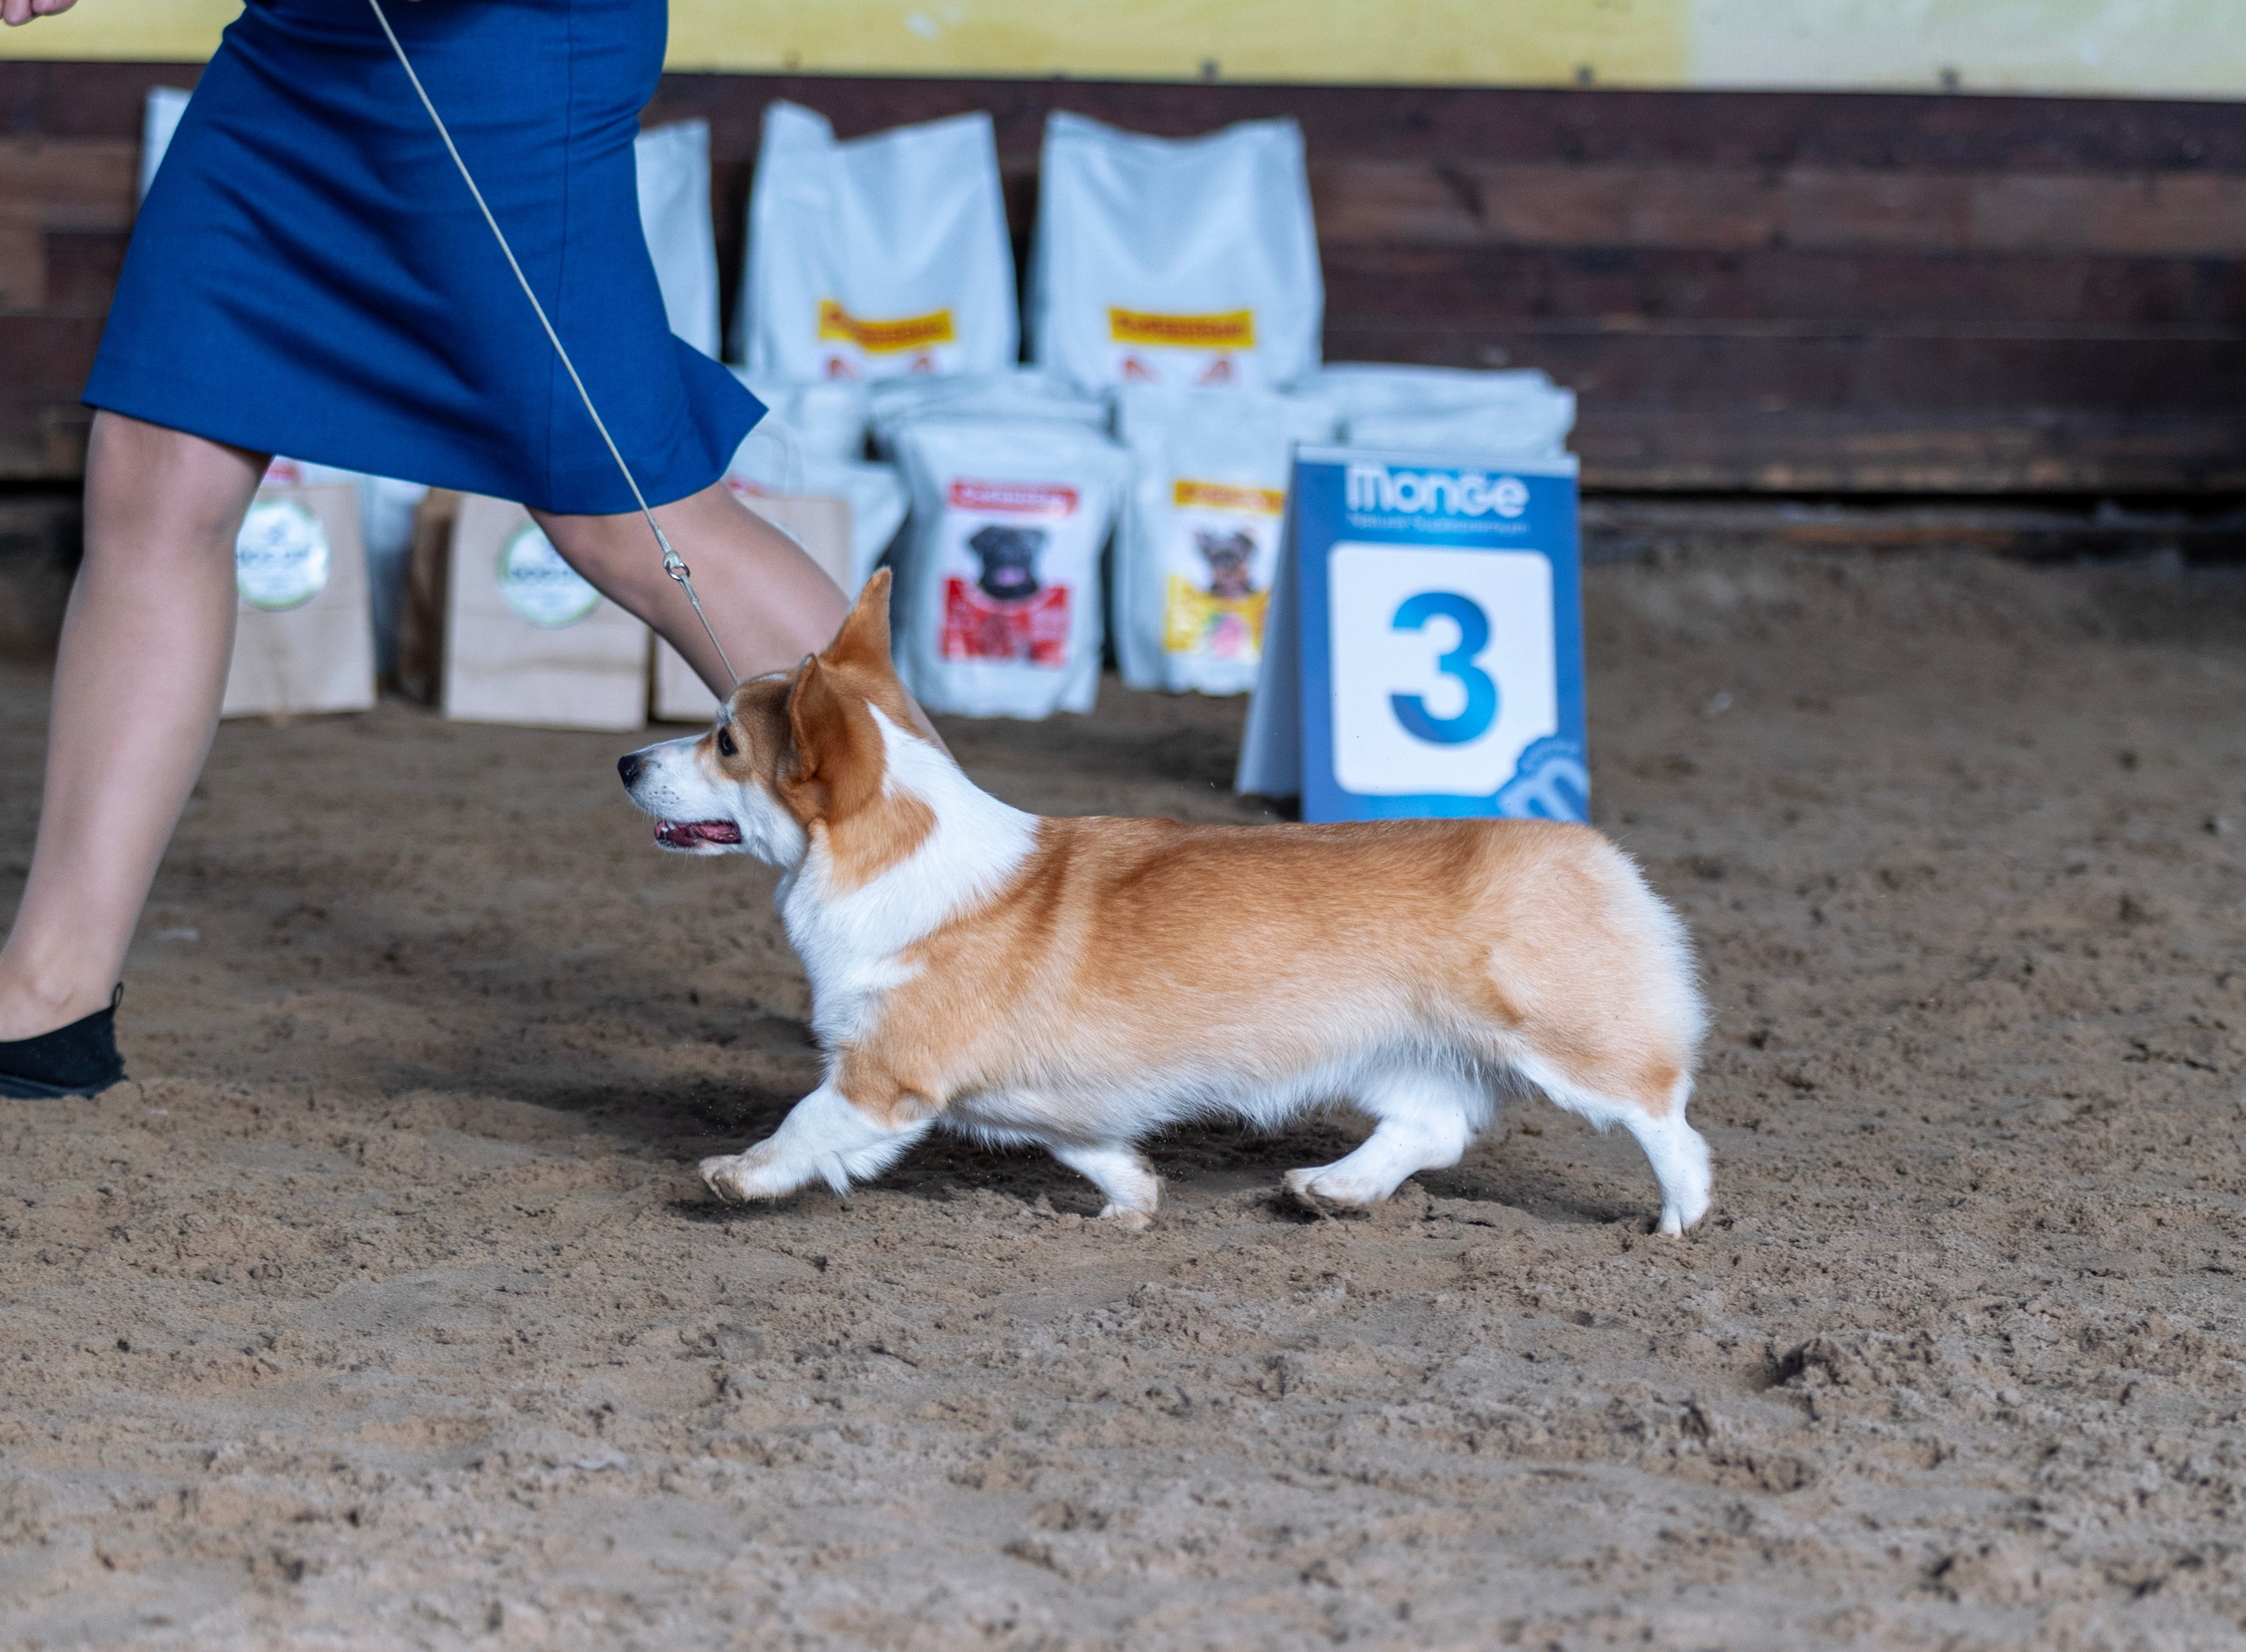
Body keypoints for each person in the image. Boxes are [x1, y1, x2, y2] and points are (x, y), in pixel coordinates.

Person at [0, 0, 862, 1097]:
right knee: (159, 461)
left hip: (487, 46)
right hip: (310, 46)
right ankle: (48, 992)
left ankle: (960, 925)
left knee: (627, 518)